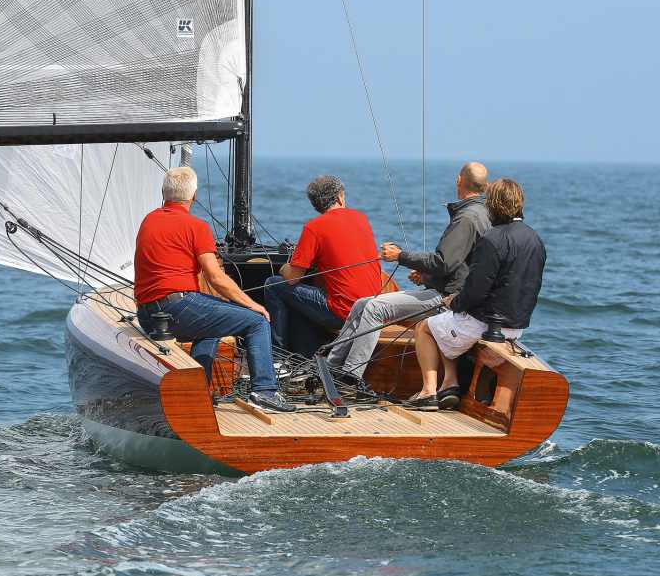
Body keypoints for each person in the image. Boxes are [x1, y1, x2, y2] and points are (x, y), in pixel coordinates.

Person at [134, 167, 294, 412]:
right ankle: (265, 392)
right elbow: (216, 277)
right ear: (194, 196)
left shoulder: (148, 220)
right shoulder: (196, 226)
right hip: (177, 309)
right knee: (257, 322)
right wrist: (252, 305)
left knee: (210, 327)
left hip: (147, 316)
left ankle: (198, 392)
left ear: (164, 193)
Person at [326, 162, 492, 380]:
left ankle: (350, 377)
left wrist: (400, 256)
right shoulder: (483, 214)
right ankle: (330, 369)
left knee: (375, 308)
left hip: (449, 300)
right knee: (361, 304)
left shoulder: (467, 218)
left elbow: (443, 263)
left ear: (459, 181)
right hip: (453, 292)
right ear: (484, 186)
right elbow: (461, 264)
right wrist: (427, 276)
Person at [407, 178, 546, 411]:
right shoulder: (535, 239)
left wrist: (454, 302)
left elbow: (476, 290)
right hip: (517, 326)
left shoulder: (492, 239)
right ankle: (449, 385)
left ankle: (428, 392)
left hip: (486, 324)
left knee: (426, 328)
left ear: (493, 205)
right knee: (447, 322)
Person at [264, 175, 383, 356]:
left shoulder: (314, 227)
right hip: (372, 309)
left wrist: (284, 266)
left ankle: (277, 357)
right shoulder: (361, 218)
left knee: (273, 284)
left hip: (343, 313)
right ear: (340, 197)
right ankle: (307, 355)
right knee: (300, 298)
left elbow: (292, 276)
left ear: (315, 205)